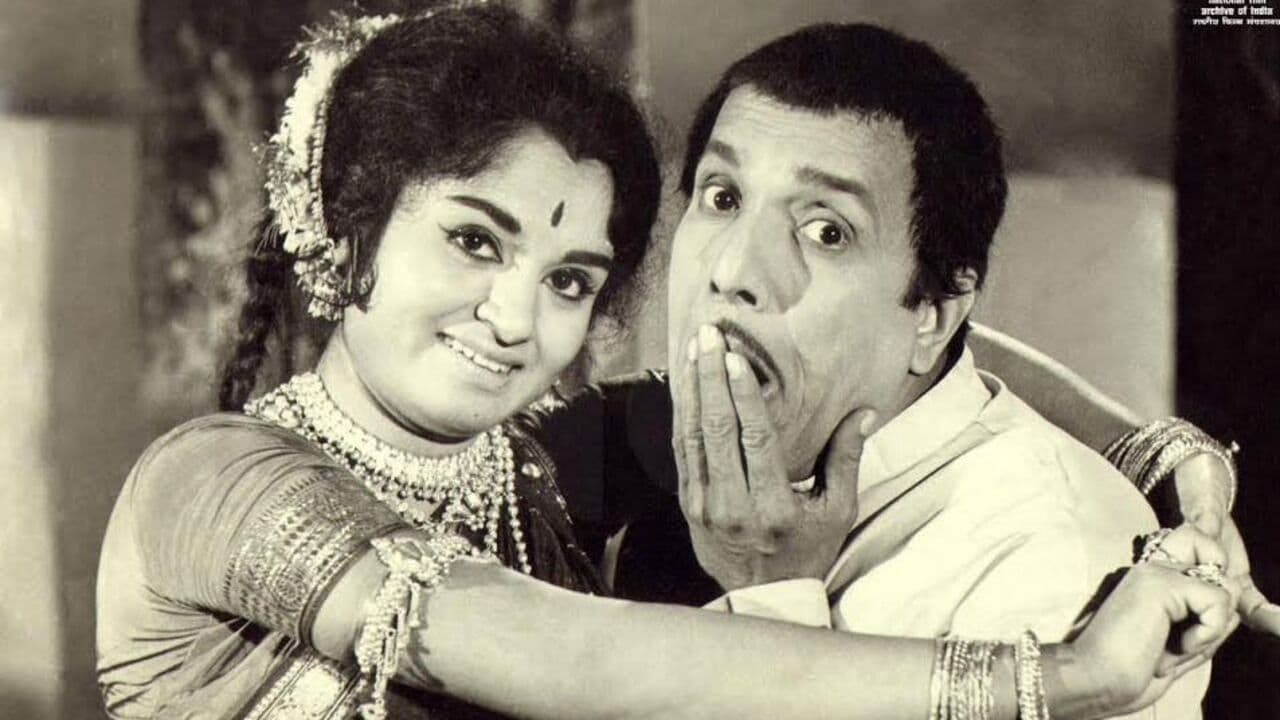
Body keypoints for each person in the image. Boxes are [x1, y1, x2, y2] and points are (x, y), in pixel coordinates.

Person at [96, 5, 1238, 720]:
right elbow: (570, 656)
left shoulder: (536, 465)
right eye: (475, 242)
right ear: (351, 227)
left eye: (569, 279)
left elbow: (898, 361)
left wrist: (1160, 453)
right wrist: (1057, 678)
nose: (511, 317)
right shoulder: (211, 481)